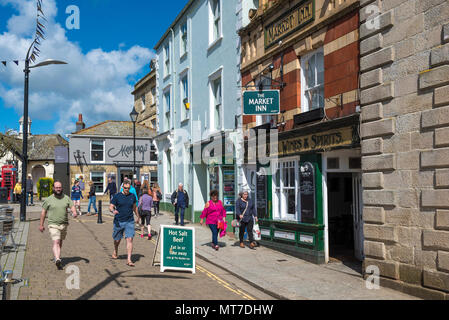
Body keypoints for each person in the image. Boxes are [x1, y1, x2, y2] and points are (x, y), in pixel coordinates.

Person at [39, 181, 78, 270]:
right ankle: (57, 259)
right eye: (56, 187)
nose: (58, 189)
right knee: (56, 241)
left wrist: (74, 212)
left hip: (64, 224)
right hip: (53, 224)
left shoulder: (66, 198)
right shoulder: (48, 199)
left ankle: (57, 258)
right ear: (53, 188)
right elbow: (43, 213)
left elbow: (72, 206)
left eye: (59, 187)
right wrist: (41, 225)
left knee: (60, 242)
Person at [109, 180, 139, 267]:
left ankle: (129, 259)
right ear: (122, 187)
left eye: (128, 188)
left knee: (129, 239)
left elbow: (134, 207)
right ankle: (115, 250)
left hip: (129, 220)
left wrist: (138, 216)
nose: (127, 190)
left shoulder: (132, 196)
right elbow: (111, 206)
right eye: (125, 188)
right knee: (117, 240)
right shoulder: (117, 196)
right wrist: (113, 211)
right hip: (119, 221)